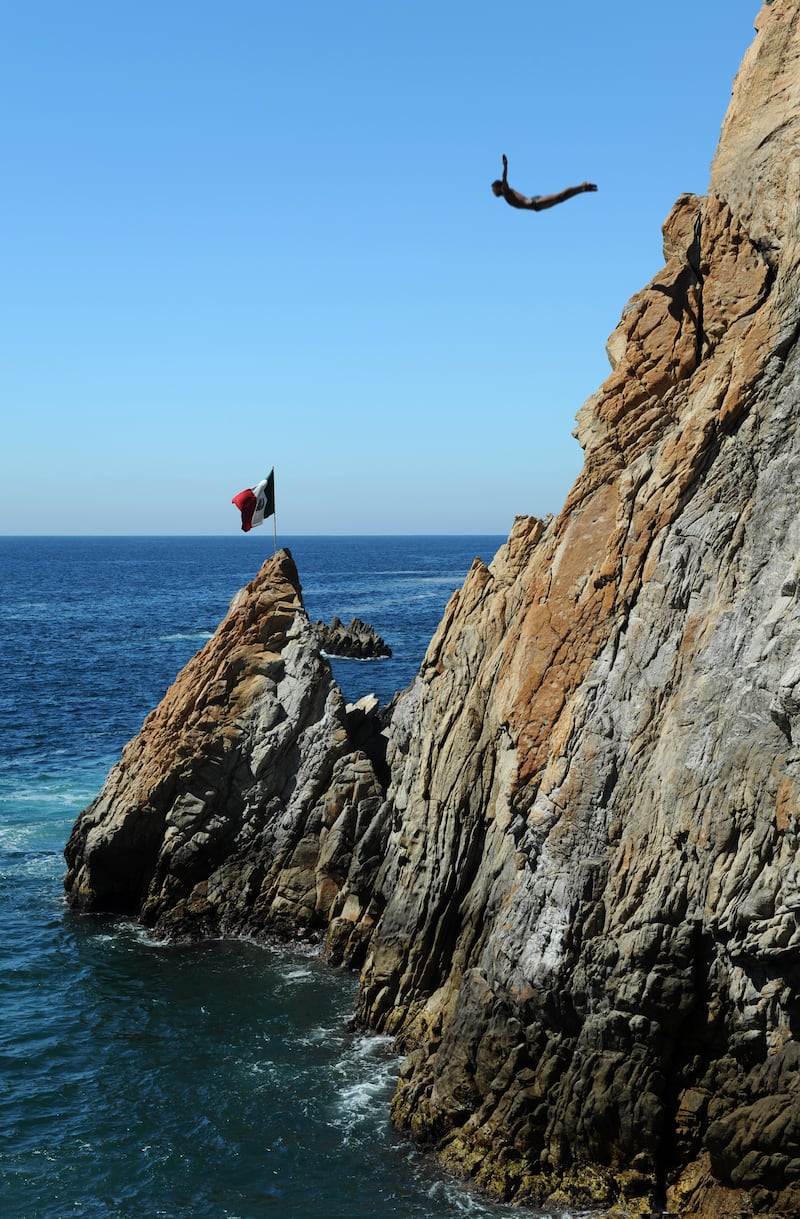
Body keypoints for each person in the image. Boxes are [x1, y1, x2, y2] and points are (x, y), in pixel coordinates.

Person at [491, 154, 597, 211]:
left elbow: (504, 179)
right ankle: (582, 188)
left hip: (535, 202)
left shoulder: (505, 190)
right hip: (535, 204)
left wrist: (505, 166)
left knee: (560, 197)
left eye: (493, 189)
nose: (493, 192)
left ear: (498, 187)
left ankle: (582, 187)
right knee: (560, 198)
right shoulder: (506, 194)